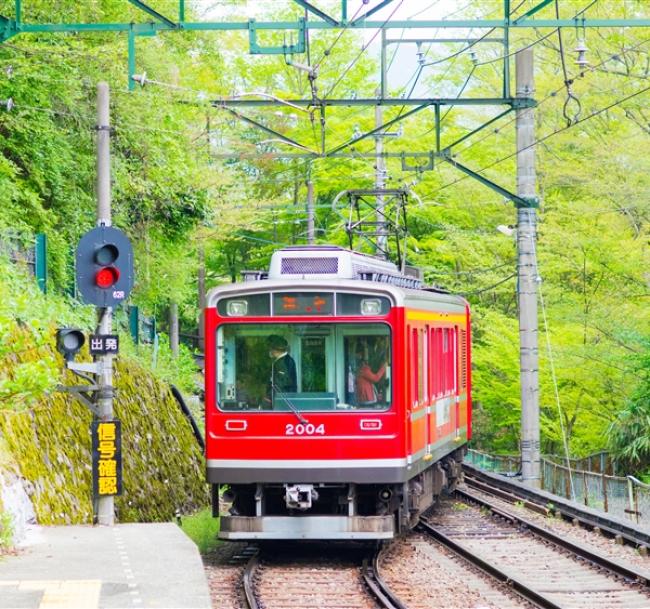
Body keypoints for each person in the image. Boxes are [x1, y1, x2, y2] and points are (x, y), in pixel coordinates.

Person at [266, 335, 297, 404]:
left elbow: (280, 384)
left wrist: (268, 398)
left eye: (270, 348)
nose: (270, 351)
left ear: (275, 350)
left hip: (282, 401)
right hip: (283, 400)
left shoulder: (283, 362)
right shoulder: (285, 360)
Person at [355, 341, 386, 406]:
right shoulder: (364, 369)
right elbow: (375, 378)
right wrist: (383, 368)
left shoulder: (361, 369)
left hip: (363, 399)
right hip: (367, 400)